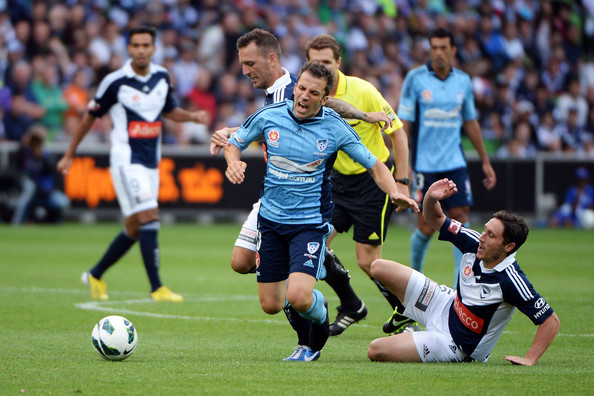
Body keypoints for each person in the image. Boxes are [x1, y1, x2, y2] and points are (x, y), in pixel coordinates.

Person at [224, 61, 419, 361]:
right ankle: (315, 313)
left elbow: (375, 165)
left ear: (325, 99)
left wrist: (395, 190)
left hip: (309, 224)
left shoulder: (334, 126)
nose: (303, 96)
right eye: (301, 88)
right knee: (271, 304)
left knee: (299, 297)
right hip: (271, 223)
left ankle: (313, 328)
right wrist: (233, 161)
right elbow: (233, 144)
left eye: (313, 92)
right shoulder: (269, 117)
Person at [57, 26, 208, 302]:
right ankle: (157, 288)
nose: (140, 50)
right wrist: (70, 153)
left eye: (145, 45)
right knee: (150, 216)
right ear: (129, 48)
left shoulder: (162, 77)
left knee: (135, 227)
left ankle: (95, 274)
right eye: (136, 45)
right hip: (127, 160)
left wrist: (192, 117)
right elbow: (90, 117)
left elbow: (169, 109)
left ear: (153, 48)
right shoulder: (115, 81)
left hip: (151, 161)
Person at [367, 178, 560, 364]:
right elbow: (434, 218)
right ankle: (405, 313)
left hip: (454, 345)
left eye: (491, 235)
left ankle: (416, 332)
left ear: (508, 247)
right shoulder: (473, 242)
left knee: (375, 349)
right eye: (485, 230)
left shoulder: (511, 281)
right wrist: (431, 198)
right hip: (444, 304)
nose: (482, 237)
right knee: (377, 267)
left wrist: (530, 359)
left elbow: (550, 321)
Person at [305, 33, 412, 336]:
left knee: (368, 261)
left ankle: (405, 309)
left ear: (338, 63)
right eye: (315, 63)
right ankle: (352, 304)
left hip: (372, 181)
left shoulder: (363, 91)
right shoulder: (310, 95)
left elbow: (398, 133)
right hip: (337, 182)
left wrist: (401, 183)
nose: (321, 68)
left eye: (326, 62)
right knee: (315, 243)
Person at [398, 28, 497, 290]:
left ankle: (458, 289)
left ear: (453, 50)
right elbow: (404, 124)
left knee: (460, 218)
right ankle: (414, 283)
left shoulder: (463, 81)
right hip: (425, 165)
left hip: (456, 162)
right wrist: (404, 164)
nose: (438, 53)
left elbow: (471, 121)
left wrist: (485, 160)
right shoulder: (415, 79)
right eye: (434, 48)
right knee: (427, 226)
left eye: (444, 48)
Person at [11, 125, 70, 224]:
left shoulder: (47, 155)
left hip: (46, 192)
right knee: (29, 188)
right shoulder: (26, 154)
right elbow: (20, 170)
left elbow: (53, 172)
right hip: (31, 191)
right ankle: (17, 221)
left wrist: (41, 157)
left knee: (63, 201)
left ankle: (54, 221)